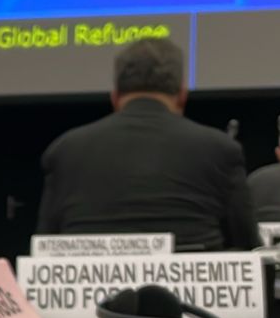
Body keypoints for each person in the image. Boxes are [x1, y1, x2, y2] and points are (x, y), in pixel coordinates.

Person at [38, 38, 259, 250]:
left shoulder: (64, 151)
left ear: (114, 97)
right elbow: (249, 248)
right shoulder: (220, 149)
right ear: (182, 95)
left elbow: (43, 248)